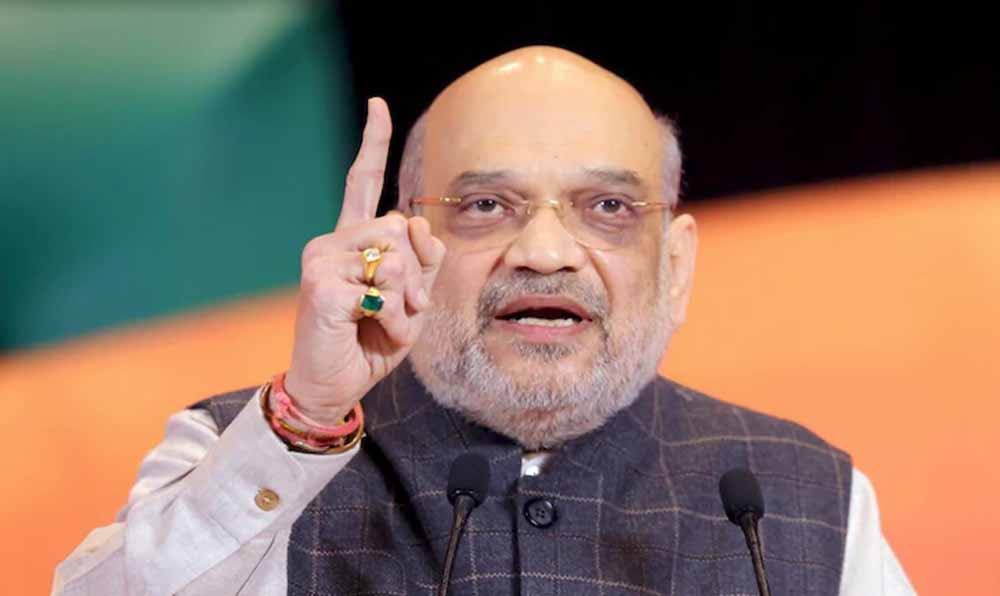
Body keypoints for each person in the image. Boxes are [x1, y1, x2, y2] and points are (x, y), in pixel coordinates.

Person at [53, 46, 914, 595]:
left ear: (676, 266)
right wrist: (307, 418)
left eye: (608, 207)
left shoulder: (801, 495)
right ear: (403, 242)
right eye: (486, 206)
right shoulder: (239, 446)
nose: (545, 252)